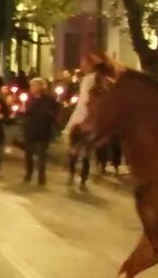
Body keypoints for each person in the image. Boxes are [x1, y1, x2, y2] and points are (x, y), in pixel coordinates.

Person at [65, 58, 100, 190]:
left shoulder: (95, 79)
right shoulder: (84, 79)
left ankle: (82, 180)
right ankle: (72, 174)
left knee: (84, 153)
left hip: (87, 119)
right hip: (80, 118)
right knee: (75, 151)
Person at [23, 78, 60, 185]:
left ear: (40, 87)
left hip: (43, 130)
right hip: (30, 130)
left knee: (41, 156)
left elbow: (53, 113)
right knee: (28, 155)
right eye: (31, 86)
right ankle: (28, 174)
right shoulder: (29, 99)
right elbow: (26, 113)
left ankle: (41, 177)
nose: (31, 88)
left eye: (33, 86)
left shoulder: (49, 99)